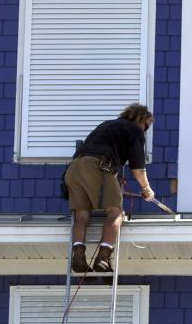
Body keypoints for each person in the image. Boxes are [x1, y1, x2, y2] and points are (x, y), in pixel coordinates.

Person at [63, 103, 155, 273]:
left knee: (82, 214)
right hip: (98, 167)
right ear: (141, 120)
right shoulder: (135, 130)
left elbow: (98, 151)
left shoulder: (107, 124)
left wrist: (114, 176)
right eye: (147, 126)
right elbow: (138, 170)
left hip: (74, 169)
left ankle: (78, 256)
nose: (145, 130)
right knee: (115, 212)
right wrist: (146, 189)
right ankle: (103, 258)